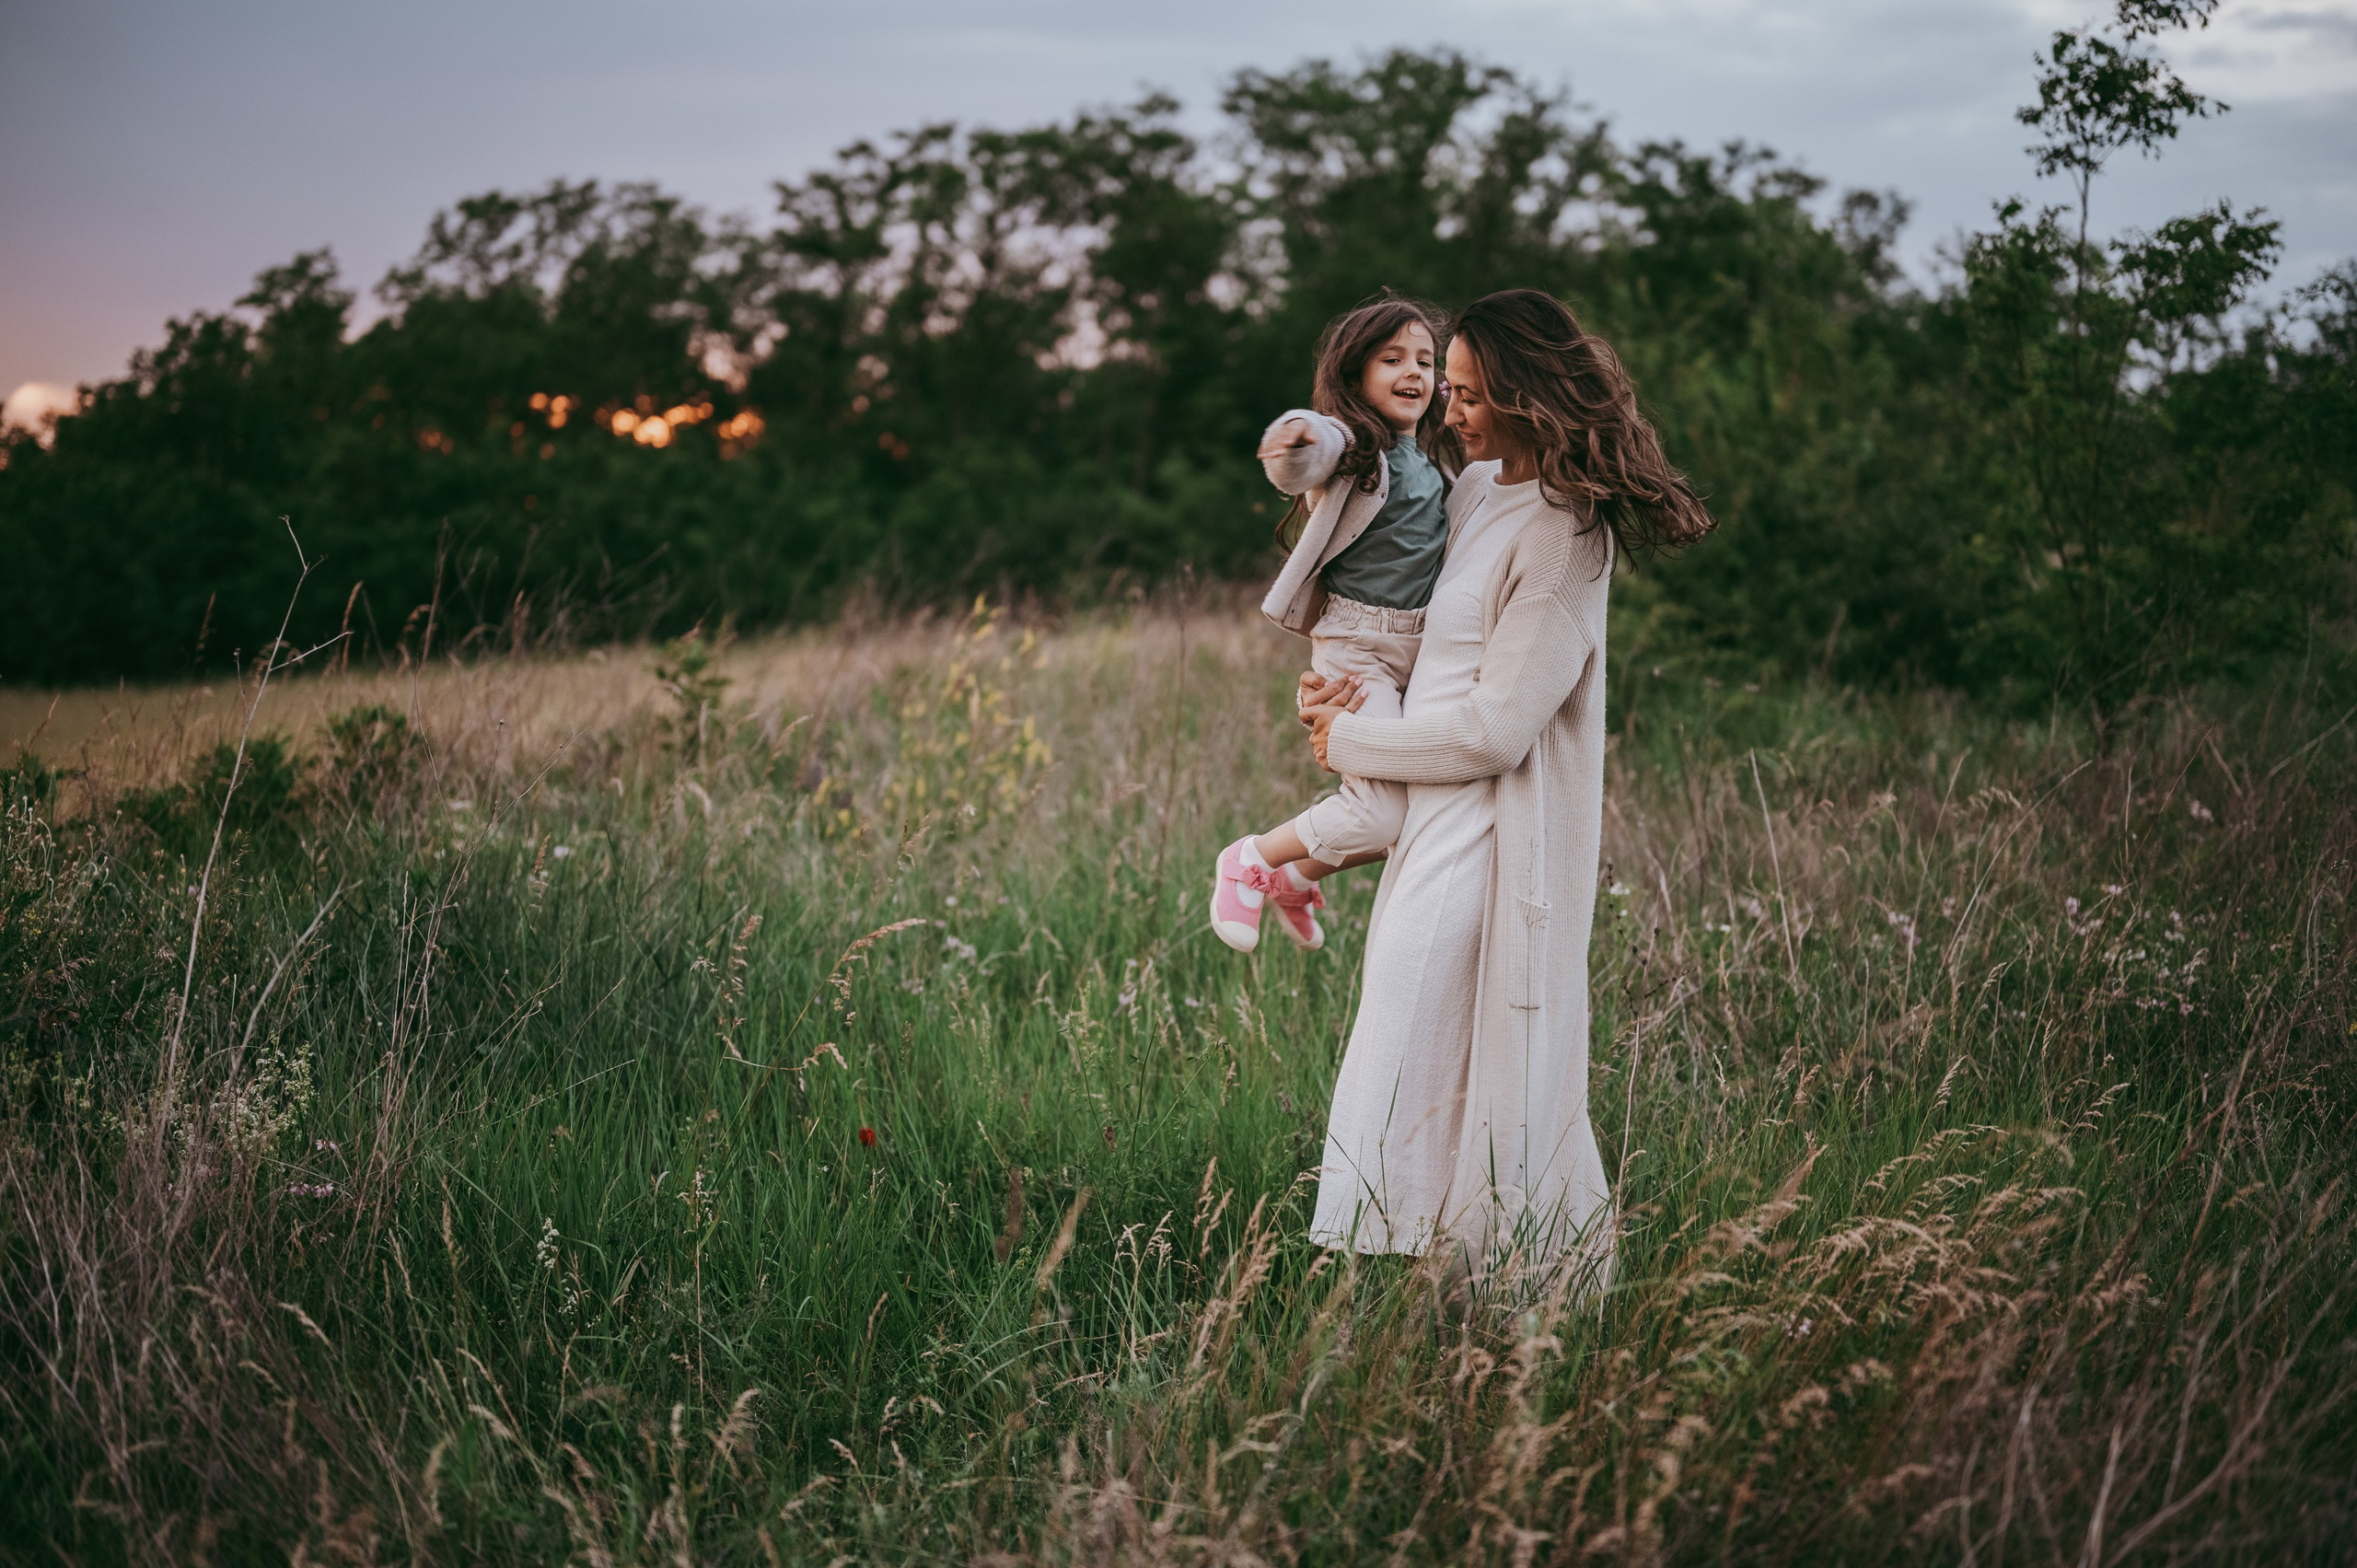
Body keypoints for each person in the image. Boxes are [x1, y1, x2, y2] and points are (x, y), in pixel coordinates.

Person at [1294, 288, 1715, 1283]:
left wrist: (1349, 741)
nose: (1453, 411)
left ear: (1530, 395)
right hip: (1430, 835)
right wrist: (1350, 684)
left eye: (1475, 394)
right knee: (1423, 1082)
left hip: (1492, 849)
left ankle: (1505, 1308)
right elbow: (1410, 620)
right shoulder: (1478, 493)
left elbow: (1495, 729)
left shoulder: (1569, 537)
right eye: (1452, 388)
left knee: (1451, 1084)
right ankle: (1449, 1317)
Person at [1208, 295, 1459, 953]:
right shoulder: (1360, 451)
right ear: (1355, 377)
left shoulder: (1433, 462)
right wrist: (1295, 437)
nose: (1414, 372)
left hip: (1419, 649)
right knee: (1380, 809)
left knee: (1418, 814)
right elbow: (1310, 452)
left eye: (1426, 361)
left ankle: (1293, 878)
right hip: (1358, 647)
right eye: (1392, 358)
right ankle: (1250, 857)